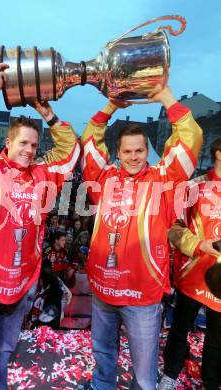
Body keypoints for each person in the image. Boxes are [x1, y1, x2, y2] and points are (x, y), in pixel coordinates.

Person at [0, 49, 80, 389]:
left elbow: (70, 152)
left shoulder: (43, 175)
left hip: (22, 283)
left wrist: (48, 114)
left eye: (34, 144)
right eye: (23, 142)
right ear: (7, 142)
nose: (29, 149)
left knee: (3, 354)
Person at [80, 85, 203, 390]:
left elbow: (191, 138)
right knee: (103, 355)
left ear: (147, 151)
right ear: (117, 152)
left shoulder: (164, 181)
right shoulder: (102, 179)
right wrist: (109, 107)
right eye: (127, 151)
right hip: (103, 289)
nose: (133, 157)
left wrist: (165, 97)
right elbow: (89, 141)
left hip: (142, 296)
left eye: (139, 150)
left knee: (145, 373)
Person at [159, 137, 221, 390]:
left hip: (220, 281)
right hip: (194, 273)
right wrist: (198, 246)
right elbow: (174, 229)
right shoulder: (194, 187)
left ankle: (211, 381)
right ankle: (171, 374)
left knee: (218, 337)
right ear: (218, 153)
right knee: (180, 327)